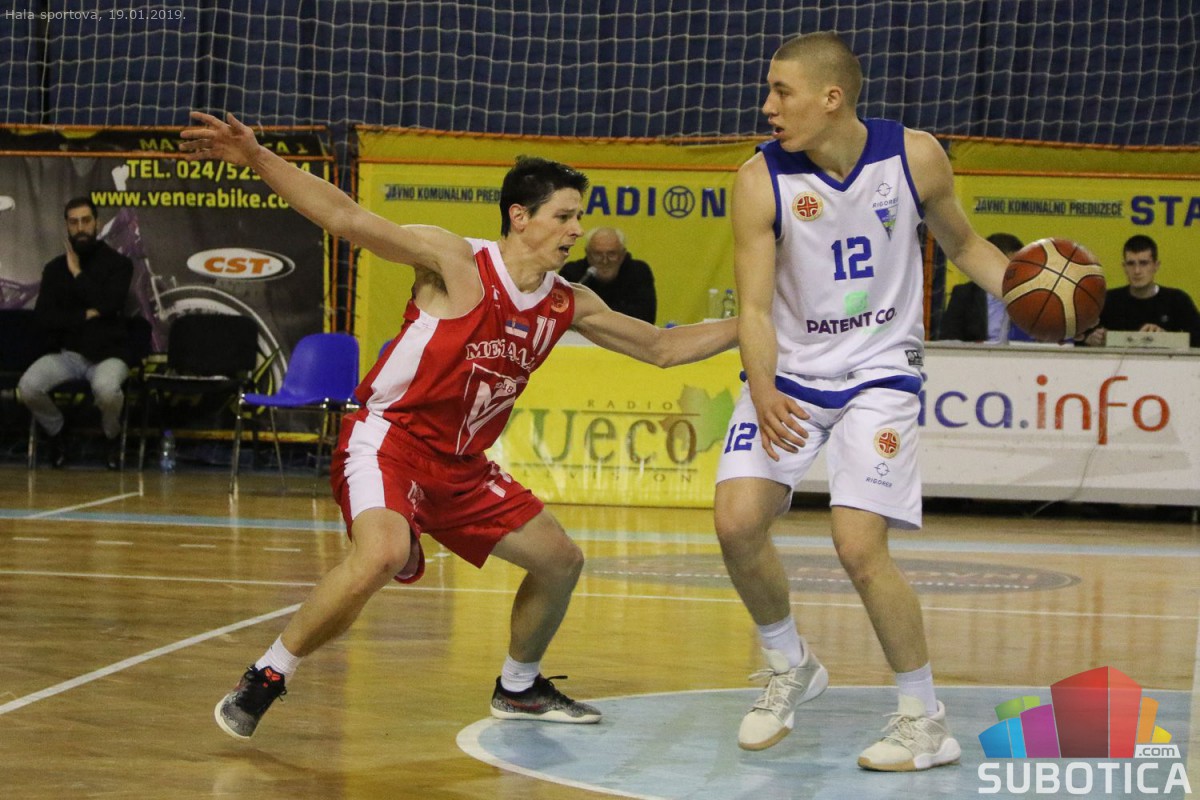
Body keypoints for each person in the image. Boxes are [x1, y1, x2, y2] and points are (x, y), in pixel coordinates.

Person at [180, 111, 737, 740]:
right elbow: (345, 218)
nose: (577, 231)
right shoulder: (454, 260)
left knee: (560, 561)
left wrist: (757, 322)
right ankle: (268, 673)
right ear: (520, 216)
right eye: (564, 216)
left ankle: (519, 687)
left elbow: (663, 348)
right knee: (382, 554)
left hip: (463, 470)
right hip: (389, 442)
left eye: (579, 218)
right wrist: (258, 158)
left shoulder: (568, 301)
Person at [714, 32, 1012, 771]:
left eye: (782, 91)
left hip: (880, 372)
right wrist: (763, 387)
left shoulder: (916, 156)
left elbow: (966, 245)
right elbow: (755, 308)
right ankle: (791, 663)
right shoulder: (757, 179)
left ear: (831, 98)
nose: (768, 106)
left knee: (857, 547)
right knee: (737, 521)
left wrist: (1032, 290)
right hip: (791, 373)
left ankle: (924, 719)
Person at [18, 197, 134, 470]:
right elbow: (44, 318)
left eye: (86, 221)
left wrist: (78, 273)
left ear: (97, 223)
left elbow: (110, 304)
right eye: (74, 222)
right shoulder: (54, 269)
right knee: (28, 387)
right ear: (67, 227)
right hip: (68, 354)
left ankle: (112, 437)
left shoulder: (119, 264)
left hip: (109, 355)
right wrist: (85, 315)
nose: (80, 228)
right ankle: (59, 433)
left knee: (107, 390)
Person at [1081, 234, 1200, 347]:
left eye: (1144, 263)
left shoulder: (1177, 301)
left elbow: (1197, 339)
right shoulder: (1106, 301)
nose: (1137, 271)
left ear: (1156, 266)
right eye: (1131, 264)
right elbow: (1077, 337)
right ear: (1124, 267)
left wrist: (1166, 338)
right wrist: (1090, 339)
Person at [939, 233, 1034, 343]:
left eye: (1019, 266)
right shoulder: (965, 295)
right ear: (990, 265)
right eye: (1010, 267)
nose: (1016, 273)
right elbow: (949, 340)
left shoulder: (1031, 296)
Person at [559, 226, 657, 323]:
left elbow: (645, 318)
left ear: (623, 254)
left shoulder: (639, 272)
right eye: (597, 254)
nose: (605, 261)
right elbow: (561, 314)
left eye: (612, 254)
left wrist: (590, 315)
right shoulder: (572, 273)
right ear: (587, 253)